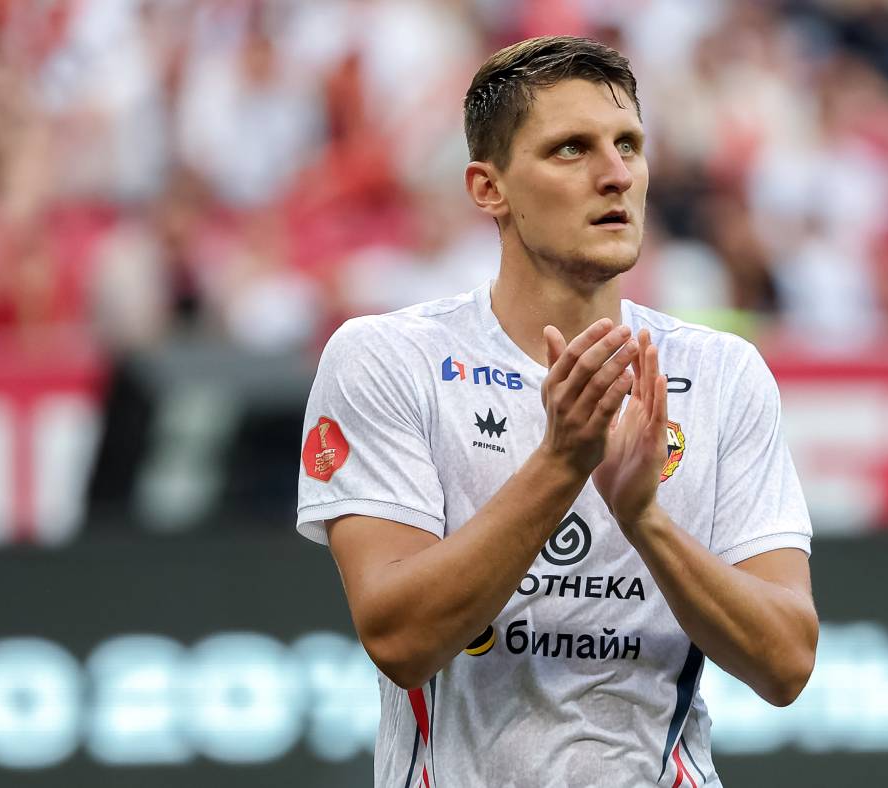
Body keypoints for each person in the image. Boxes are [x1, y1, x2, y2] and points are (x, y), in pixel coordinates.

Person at [295, 36, 817, 787]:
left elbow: (788, 662)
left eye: (628, 145)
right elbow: (399, 638)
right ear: (489, 188)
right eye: (571, 149)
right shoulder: (388, 358)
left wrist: (646, 521)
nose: (616, 175)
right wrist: (563, 463)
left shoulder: (722, 373)